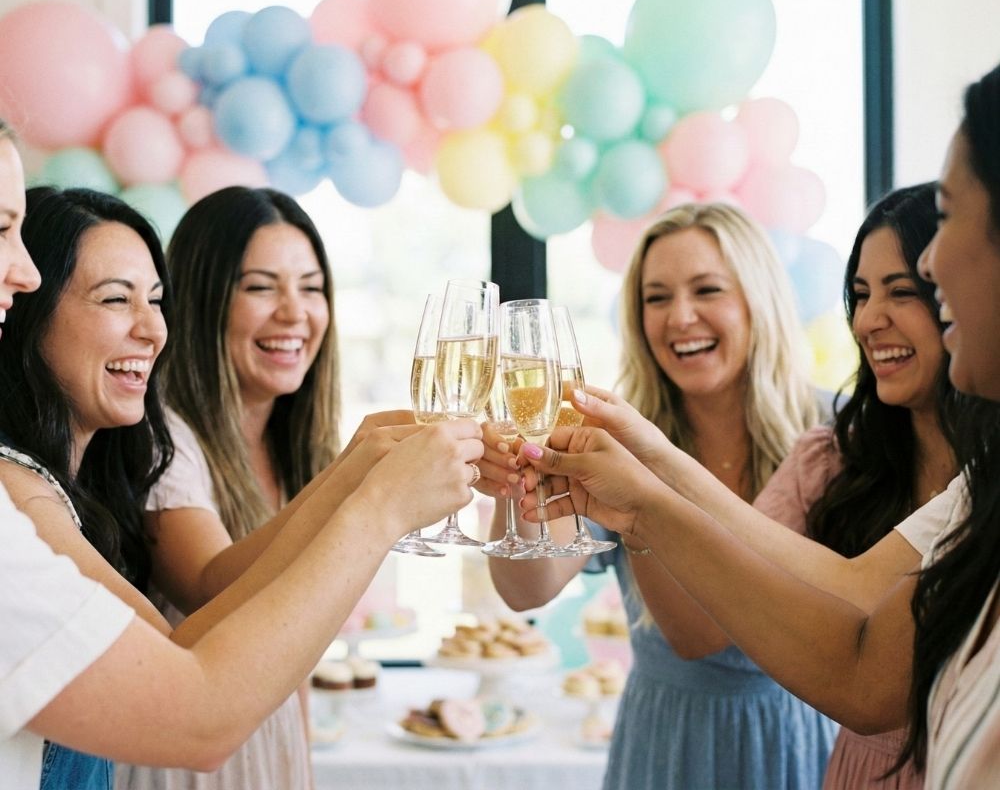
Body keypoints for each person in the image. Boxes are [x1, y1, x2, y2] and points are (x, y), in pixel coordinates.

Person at [514, 62, 1000, 788]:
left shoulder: (836, 430)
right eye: (861, 293)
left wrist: (647, 491)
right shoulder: (911, 467)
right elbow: (857, 594)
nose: (872, 316)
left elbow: (842, 659)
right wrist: (647, 455)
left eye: (951, 218)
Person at [0, 121, 484, 789]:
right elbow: (193, 669)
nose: (151, 328)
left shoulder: (68, 491)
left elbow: (180, 644)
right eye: (116, 299)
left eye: (157, 301)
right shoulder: (20, 492)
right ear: (27, 312)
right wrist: (372, 501)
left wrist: (352, 474)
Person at [483, 203, 836, 789]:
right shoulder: (616, 437)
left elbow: (704, 636)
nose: (680, 318)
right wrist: (511, 476)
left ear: (758, 299)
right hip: (666, 745)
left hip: (793, 739)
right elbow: (526, 588)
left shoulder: (833, 431)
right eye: (656, 298)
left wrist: (642, 501)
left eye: (707, 289)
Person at [117, 187, 347, 789]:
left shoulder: (296, 447)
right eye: (261, 287)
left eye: (312, 287)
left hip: (266, 755)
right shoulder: (162, 433)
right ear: (201, 301)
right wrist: (365, 486)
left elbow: (289, 647)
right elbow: (213, 592)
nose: (295, 313)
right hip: (184, 765)